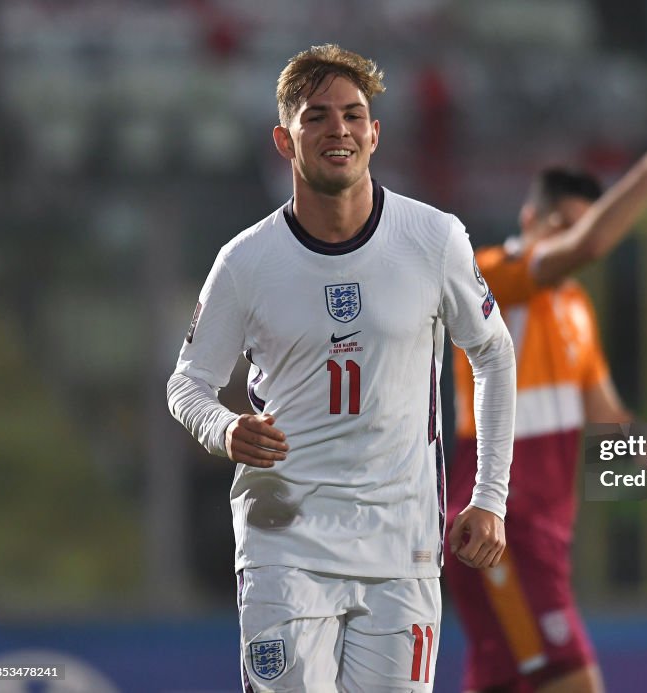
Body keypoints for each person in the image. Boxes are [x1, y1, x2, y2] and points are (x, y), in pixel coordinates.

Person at [167, 44, 516, 692]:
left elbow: (493, 350)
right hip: (284, 543)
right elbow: (188, 382)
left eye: (354, 116)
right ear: (284, 137)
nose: (339, 131)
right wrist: (224, 429)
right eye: (318, 117)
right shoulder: (246, 261)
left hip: (403, 546)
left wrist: (489, 497)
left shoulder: (433, 239)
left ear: (375, 133)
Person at [444, 117, 647, 692]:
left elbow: (612, 421)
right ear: (528, 220)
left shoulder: (575, 310)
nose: (573, 241)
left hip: (542, 538)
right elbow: (590, 245)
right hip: (501, 529)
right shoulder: (491, 276)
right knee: (574, 682)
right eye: (560, 227)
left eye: (580, 227)